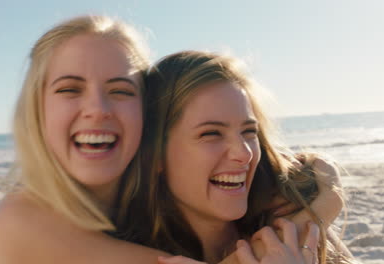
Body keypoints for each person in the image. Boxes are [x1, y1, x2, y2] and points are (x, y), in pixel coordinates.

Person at [0, 15, 345, 264]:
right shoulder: (25, 219)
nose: (97, 109)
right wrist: (322, 208)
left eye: (120, 90)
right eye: (210, 133)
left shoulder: (278, 201)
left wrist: (320, 182)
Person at [115, 50, 355, 264]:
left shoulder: (291, 215)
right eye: (211, 133)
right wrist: (329, 204)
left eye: (249, 131)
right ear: (154, 154)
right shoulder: (126, 254)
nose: (244, 153)